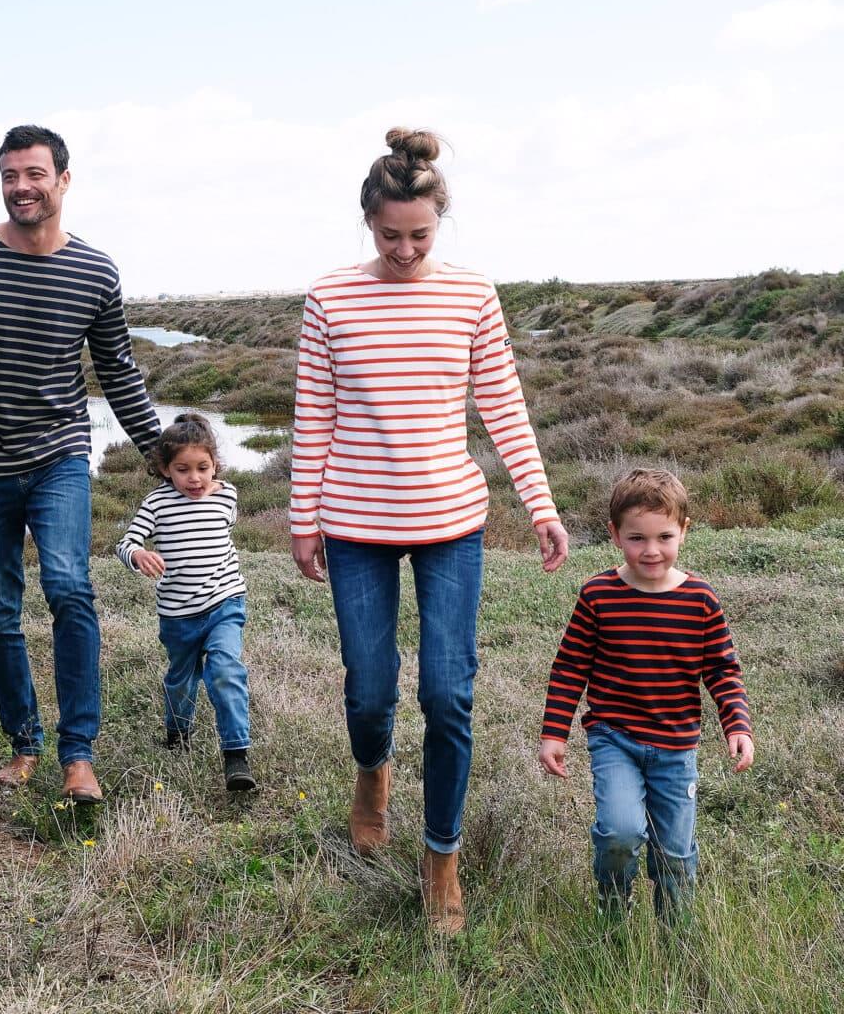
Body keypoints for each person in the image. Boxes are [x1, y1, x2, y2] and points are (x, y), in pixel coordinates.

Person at [290, 127, 569, 934]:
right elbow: (316, 414)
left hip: (452, 523)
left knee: (448, 694)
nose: (406, 249)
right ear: (367, 223)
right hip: (354, 522)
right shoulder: (330, 297)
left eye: (421, 234)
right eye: (390, 235)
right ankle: (371, 772)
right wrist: (303, 519)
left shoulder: (472, 294)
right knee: (371, 689)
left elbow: (505, 408)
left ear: (439, 221)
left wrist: (541, 506)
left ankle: (441, 858)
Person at [0, 125, 161, 803]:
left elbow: (118, 371)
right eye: (10, 175)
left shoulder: (95, 271)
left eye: (34, 174)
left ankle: (79, 756)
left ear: (62, 181)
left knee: (70, 588)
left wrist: (159, 448)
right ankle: (24, 745)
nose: (21, 187)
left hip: (59, 456)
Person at [538, 468, 754, 921]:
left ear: (684, 532)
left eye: (664, 537)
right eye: (637, 538)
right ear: (615, 534)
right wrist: (554, 733)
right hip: (614, 738)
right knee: (620, 832)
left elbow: (721, 668)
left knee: (674, 852)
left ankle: (675, 934)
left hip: (676, 747)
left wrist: (736, 724)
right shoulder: (598, 595)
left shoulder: (700, 599)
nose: (651, 550)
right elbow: (570, 667)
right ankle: (612, 909)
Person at [115, 414, 256, 791]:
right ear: (164, 469)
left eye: (203, 468)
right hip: (178, 615)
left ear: (215, 465)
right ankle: (177, 735)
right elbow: (125, 543)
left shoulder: (228, 494)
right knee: (181, 679)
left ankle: (236, 755)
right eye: (183, 469)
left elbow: (223, 535)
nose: (194, 478)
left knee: (225, 671)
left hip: (225, 602)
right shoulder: (157, 503)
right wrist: (139, 555)